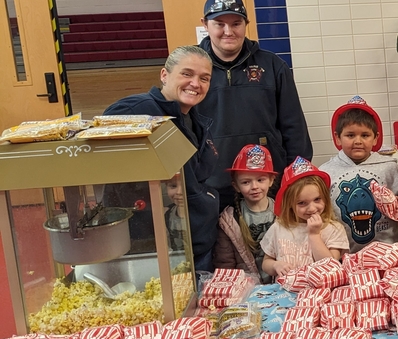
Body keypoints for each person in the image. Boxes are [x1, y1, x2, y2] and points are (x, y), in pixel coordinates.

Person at [105, 45, 220, 272]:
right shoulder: (138, 111)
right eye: (187, 74)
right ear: (164, 75)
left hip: (194, 240)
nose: (195, 84)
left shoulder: (194, 119)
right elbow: (103, 147)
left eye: (204, 78)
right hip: (153, 243)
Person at [197, 0, 313, 210]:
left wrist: (297, 176)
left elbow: (294, 127)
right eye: (219, 24)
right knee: (220, 244)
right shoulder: (193, 68)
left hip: (268, 184)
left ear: (246, 24)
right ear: (205, 24)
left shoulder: (272, 66)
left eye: (236, 23)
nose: (228, 31)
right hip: (211, 186)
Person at [320, 97, 398, 251]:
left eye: (365, 135)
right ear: (337, 137)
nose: (358, 141)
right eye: (350, 135)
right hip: (345, 253)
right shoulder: (325, 172)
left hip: (390, 249)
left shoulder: (391, 167)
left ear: (375, 139)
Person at [261, 157, 348, 278]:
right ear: (289, 204)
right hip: (285, 292)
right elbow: (266, 263)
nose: (312, 208)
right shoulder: (279, 227)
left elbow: (330, 268)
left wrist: (314, 235)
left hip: (320, 293)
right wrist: (275, 265)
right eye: (302, 203)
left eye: (317, 199)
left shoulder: (334, 229)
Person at [215, 144, 277, 283]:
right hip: (246, 289)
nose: (254, 187)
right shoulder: (229, 221)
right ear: (236, 185)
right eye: (246, 182)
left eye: (260, 180)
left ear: (271, 180)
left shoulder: (284, 212)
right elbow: (225, 263)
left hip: (281, 285)